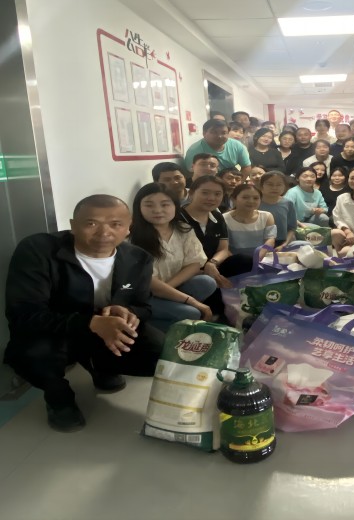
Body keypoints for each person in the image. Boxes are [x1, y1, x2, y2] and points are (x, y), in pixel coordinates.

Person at [4, 195, 164, 432]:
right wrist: (91, 322)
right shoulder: (38, 250)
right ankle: (58, 398)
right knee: (34, 356)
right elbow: (24, 314)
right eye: (91, 223)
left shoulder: (138, 259)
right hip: (51, 331)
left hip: (103, 328)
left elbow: (144, 307)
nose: (104, 233)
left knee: (159, 352)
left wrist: (128, 311)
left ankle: (100, 366)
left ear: (128, 228)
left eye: (116, 224)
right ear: (73, 225)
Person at [129, 183, 216, 330]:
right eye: (149, 205)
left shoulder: (183, 229)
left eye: (165, 204)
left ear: (175, 206)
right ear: (139, 208)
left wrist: (169, 288)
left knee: (207, 282)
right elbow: (150, 283)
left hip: (168, 287)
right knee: (192, 313)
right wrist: (190, 301)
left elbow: (194, 263)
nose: (158, 210)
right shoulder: (132, 238)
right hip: (144, 296)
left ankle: (171, 316)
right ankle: (145, 326)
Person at [180, 175, 254, 281]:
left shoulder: (217, 216)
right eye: (205, 193)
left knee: (245, 260)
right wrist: (202, 270)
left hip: (213, 266)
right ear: (191, 193)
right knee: (206, 282)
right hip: (186, 271)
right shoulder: (177, 218)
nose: (211, 198)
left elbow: (223, 249)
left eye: (217, 194)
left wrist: (212, 263)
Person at [184, 119, 251, 179]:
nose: (219, 136)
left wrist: (238, 183)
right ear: (204, 133)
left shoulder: (237, 146)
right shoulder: (194, 150)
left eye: (223, 133)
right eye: (214, 132)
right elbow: (191, 174)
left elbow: (246, 167)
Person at [223, 184, 277, 257]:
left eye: (256, 198)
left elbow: (270, 240)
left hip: (260, 259)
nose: (251, 201)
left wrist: (257, 258)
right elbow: (223, 247)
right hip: (233, 260)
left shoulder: (267, 216)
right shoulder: (224, 218)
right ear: (234, 199)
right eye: (245, 197)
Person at [259, 171, 298, 250]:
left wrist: (284, 244)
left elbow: (292, 228)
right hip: (259, 243)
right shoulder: (255, 203)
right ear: (261, 186)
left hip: (281, 243)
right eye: (270, 184)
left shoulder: (288, 203)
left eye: (279, 184)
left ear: (285, 187)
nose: (274, 188)